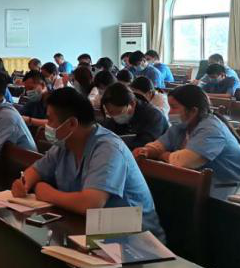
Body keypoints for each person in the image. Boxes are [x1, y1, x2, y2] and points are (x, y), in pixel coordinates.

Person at [11, 87, 163, 238]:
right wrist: (24, 183)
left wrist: (48, 193)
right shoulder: (64, 145)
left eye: (50, 120)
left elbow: (90, 204)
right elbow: (36, 170)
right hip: (92, 228)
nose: (47, 125)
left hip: (134, 235)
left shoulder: (108, 148)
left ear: (72, 124)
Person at [134, 84, 240, 184]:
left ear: (193, 111)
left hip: (236, 188)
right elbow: (159, 145)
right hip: (207, 186)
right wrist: (146, 151)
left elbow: (183, 162)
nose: (170, 112)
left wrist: (162, 155)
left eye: (174, 107)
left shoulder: (211, 129)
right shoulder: (181, 126)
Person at [101, 82, 168, 149]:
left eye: (119, 112)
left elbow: (144, 146)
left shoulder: (154, 117)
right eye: (110, 113)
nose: (115, 116)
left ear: (132, 104)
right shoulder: (114, 115)